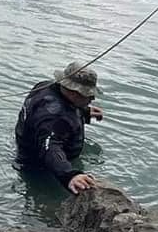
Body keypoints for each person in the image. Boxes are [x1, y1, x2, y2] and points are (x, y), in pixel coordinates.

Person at [14, 62, 105, 194]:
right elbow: (50, 147)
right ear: (74, 93)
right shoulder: (54, 117)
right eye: (89, 96)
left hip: (26, 143)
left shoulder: (45, 86)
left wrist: (83, 111)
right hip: (39, 168)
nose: (92, 98)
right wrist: (70, 175)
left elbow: (41, 115)